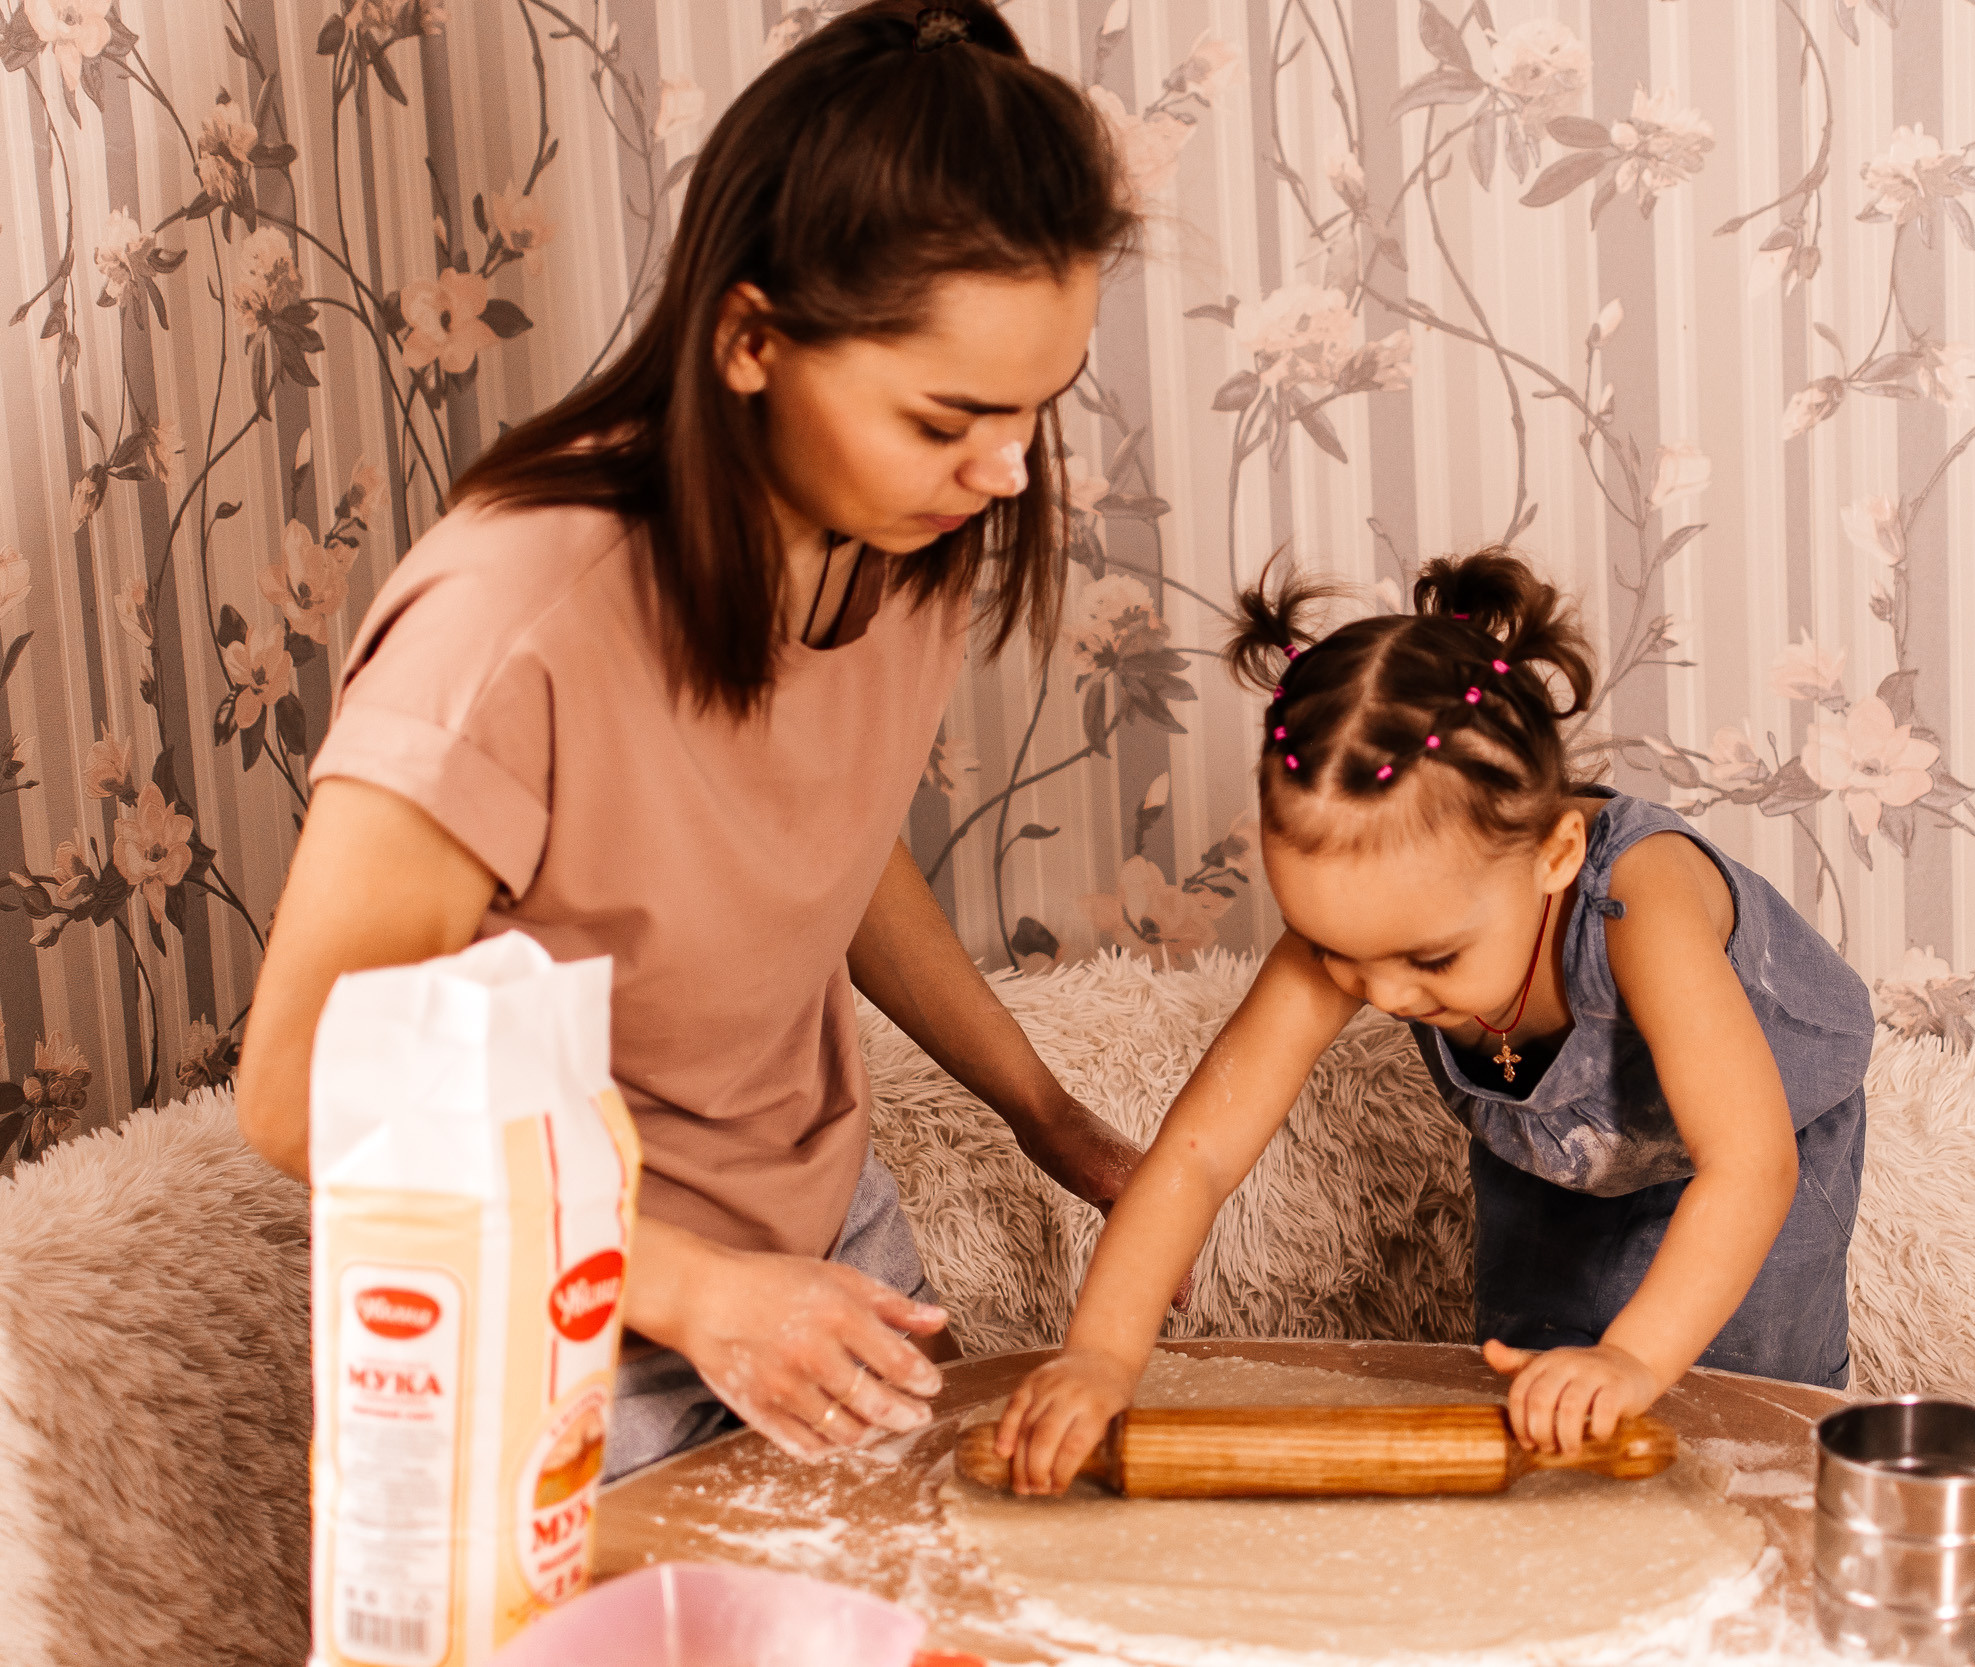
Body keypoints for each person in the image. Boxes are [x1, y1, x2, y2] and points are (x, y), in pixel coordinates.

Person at [235, 0, 1146, 1478]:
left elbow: (823, 845)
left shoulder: (905, 528)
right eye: (950, 416)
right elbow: (296, 1090)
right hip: (564, 1302)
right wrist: (702, 1291)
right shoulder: (513, 618)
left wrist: (1047, 1110)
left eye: (1037, 409)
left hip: (819, 1243)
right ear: (748, 340)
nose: (1004, 470)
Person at [995, 550, 1876, 1494]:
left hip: (1747, 1145)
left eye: (1431, 960)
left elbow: (1749, 1166)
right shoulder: (1376, 928)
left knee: (1726, 1422)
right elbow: (1199, 1153)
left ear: (1554, 853)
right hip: (1550, 1146)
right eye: (1335, 952)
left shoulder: (1641, 898)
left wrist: (1634, 1360)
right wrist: (1099, 1357)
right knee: (1539, 1400)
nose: (1383, 994)